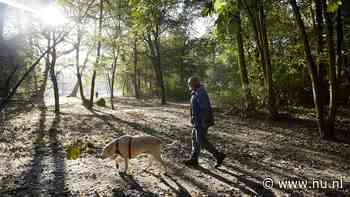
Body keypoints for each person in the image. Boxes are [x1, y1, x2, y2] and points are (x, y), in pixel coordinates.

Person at [184, 76, 225, 167]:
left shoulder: (200, 92)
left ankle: (218, 155)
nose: (189, 85)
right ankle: (194, 159)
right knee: (194, 139)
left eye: (190, 83)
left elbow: (205, 108)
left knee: (201, 141)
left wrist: (204, 121)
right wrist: (192, 118)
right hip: (196, 121)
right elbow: (194, 107)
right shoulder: (195, 92)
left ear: (195, 83)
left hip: (201, 122)